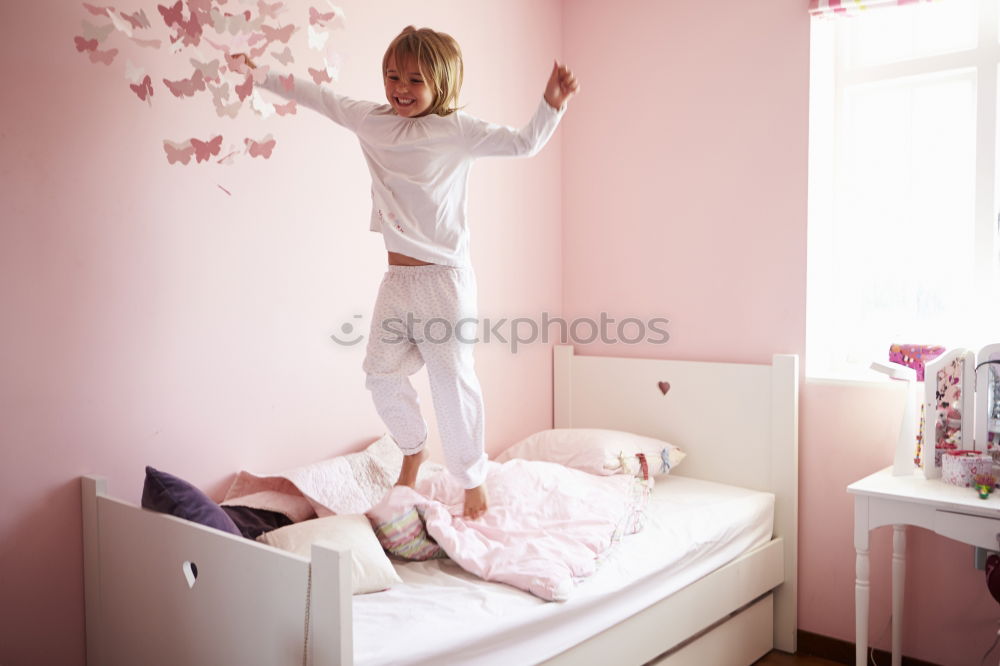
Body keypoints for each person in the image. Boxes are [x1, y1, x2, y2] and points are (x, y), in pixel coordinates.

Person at [233, 26, 578, 519]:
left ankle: (471, 478)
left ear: (442, 82)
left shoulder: (458, 131)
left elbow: (523, 143)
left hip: (444, 281)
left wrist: (551, 103)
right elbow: (319, 97)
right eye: (393, 76)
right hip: (397, 281)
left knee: (450, 382)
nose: (400, 87)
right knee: (379, 375)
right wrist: (260, 74)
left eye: (415, 80)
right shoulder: (372, 121)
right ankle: (414, 447)